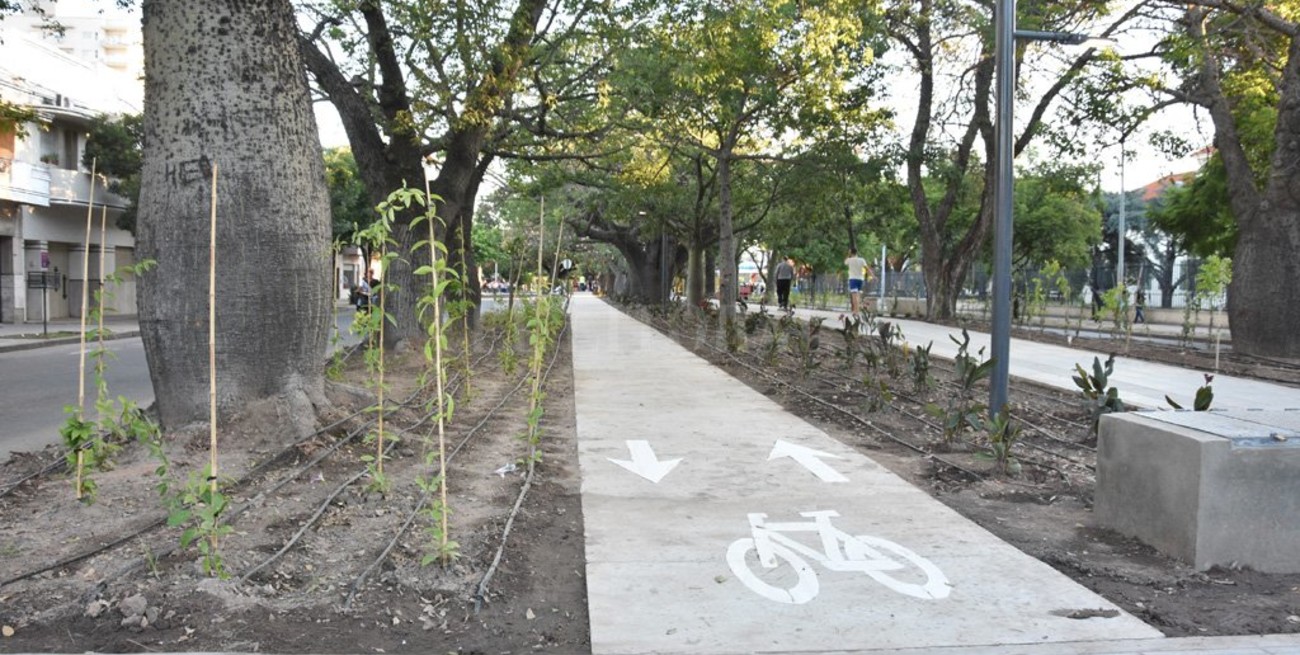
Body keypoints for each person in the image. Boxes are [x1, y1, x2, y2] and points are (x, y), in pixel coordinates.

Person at [844, 247, 873, 314]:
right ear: (856, 252)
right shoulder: (862, 260)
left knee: (854, 296)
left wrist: (848, 255)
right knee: (858, 296)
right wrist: (872, 276)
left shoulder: (849, 260)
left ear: (850, 253)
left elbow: (845, 262)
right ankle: (858, 310)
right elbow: (867, 268)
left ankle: (855, 310)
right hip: (860, 279)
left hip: (853, 279)